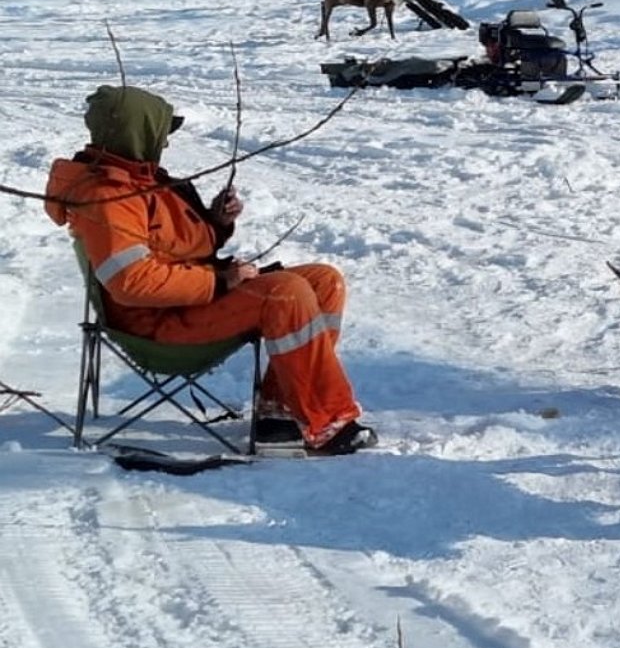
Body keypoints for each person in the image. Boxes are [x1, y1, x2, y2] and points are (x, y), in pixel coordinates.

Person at [43, 84, 377, 455]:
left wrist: (216, 221)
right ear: (137, 133)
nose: (166, 144)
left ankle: (279, 410)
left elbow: (174, 244)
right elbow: (132, 283)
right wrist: (221, 281)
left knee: (323, 280)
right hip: (157, 326)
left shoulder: (141, 180)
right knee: (285, 291)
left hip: (186, 304)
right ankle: (328, 424)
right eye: (161, 133)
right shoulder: (108, 196)